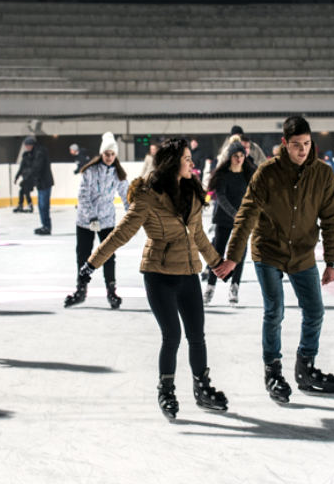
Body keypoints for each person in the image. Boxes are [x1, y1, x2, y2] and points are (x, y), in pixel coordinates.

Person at [82, 138, 228, 420]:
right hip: (159, 274)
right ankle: (167, 390)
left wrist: (218, 264)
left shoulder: (193, 192)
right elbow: (121, 233)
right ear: (173, 162)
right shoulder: (148, 195)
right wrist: (92, 262)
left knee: (197, 336)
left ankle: (202, 388)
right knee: (172, 335)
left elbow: (197, 235)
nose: (191, 163)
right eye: (186, 158)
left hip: (188, 273)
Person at [214, 115, 334, 404]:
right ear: (285, 144)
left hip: (302, 253)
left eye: (307, 144)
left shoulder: (322, 174)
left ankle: (305, 369)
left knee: (315, 311)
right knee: (275, 311)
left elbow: (331, 218)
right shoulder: (267, 173)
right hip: (268, 249)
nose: (302, 151)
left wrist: (331, 260)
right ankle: (273, 370)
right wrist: (233, 256)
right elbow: (246, 214)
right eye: (296, 145)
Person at [63, 132, 130, 309]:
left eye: (112, 154)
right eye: (106, 154)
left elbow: (127, 195)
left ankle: (111, 290)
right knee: (83, 256)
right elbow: (83, 196)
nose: (109, 157)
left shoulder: (118, 174)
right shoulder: (90, 171)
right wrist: (91, 216)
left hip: (107, 220)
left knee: (108, 256)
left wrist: (132, 212)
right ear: (101, 154)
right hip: (85, 220)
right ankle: (81, 289)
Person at [203, 141, 255, 307]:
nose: (239, 159)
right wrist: (235, 214)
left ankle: (235, 286)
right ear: (230, 157)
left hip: (243, 222)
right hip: (224, 219)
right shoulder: (223, 175)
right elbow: (222, 198)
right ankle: (210, 286)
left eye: (241, 156)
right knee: (217, 253)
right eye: (235, 156)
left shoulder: (249, 174)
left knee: (239, 253)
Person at [19, 136, 54, 235]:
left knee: (43, 206)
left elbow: (37, 167)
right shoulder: (35, 152)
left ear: (31, 145)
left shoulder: (39, 152)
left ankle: (47, 226)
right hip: (41, 183)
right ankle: (45, 225)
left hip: (45, 182)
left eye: (26, 145)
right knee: (41, 205)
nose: (26, 148)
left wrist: (29, 179)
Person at [12, 137, 35, 214]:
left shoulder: (35, 155)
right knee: (22, 191)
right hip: (26, 177)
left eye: (28, 145)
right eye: (26, 145)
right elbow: (21, 168)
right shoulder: (25, 156)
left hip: (31, 177)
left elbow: (35, 167)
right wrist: (16, 177)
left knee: (26, 191)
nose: (27, 147)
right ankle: (21, 205)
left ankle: (29, 205)